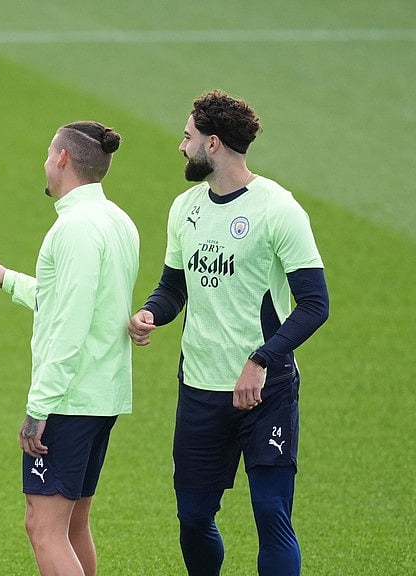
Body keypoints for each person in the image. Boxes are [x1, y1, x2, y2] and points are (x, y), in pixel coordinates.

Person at [128, 90, 330, 575]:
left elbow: (315, 304)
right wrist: (151, 313)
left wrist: (261, 359)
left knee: (271, 512)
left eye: (187, 136)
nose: (181, 146)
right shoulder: (185, 209)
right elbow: (174, 288)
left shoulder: (278, 210)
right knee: (194, 517)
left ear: (212, 144)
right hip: (200, 387)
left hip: (266, 389)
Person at [0, 121, 140, 576]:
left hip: (69, 399)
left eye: (50, 155)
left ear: (63, 158)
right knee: (73, 526)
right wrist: (6, 279)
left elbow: (70, 323)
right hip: (102, 395)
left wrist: (38, 407)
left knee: (43, 527)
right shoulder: (117, 221)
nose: (46, 164)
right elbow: (66, 299)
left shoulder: (75, 229)